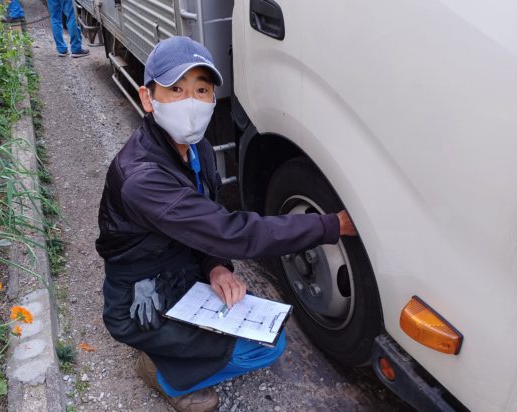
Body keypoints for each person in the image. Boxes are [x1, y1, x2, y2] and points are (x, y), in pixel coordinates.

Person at [95, 36, 357, 412]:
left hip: (183, 270)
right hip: (142, 296)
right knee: (265, 348)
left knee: (251, 324)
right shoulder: (143, 178)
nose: (191, 101)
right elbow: (234, 232)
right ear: (147, 98)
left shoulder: (197, 146)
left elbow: (204, 220)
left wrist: (215, 266)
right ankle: (161, 373)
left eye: (201, 89)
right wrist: (331, 225)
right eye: (175, 89)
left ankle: (177, 349)